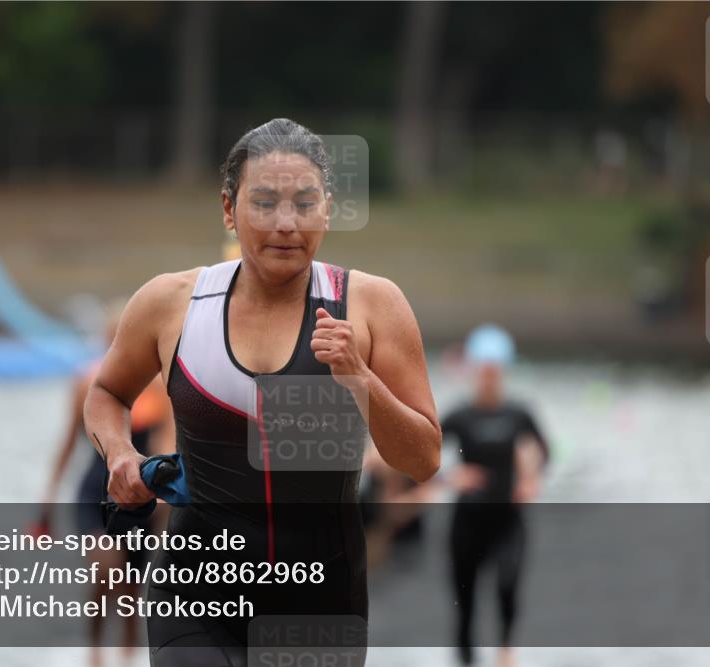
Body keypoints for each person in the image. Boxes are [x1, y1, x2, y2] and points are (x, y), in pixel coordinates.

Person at [83, 118, 441, 667]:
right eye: (265, 202)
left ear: (327, 209)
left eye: (304, 203)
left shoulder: (372, 306)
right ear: (229, 209)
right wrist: (122, 454)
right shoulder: (170, 304)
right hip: (194, 594)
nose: (285, 224)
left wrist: (359, 379)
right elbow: (106, 393)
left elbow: (422, 459)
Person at [40, 300, 174, 667]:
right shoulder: (88, 384)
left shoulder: (161, 389)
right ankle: (95, 651)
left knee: (131, 586)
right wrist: (46, 504)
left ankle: (128, 655)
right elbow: (67, 445)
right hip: (94, 491)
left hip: (141, 493)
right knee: (106, 570)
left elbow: (166, 443)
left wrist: (167, 498)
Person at [440, 324, 549, 667]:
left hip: (508, 519)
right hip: (467, 521)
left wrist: (532, 479)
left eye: (495, 370)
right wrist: (450, 476)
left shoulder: (519, 413)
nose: (489, 377)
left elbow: (544, 451)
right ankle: (465, 658)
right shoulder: (459, 414)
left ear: (503, 371)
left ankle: (505, 651)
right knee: (465, 603)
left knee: (507, 587)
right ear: (473, 370)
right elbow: (423, 456)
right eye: (483, 370)